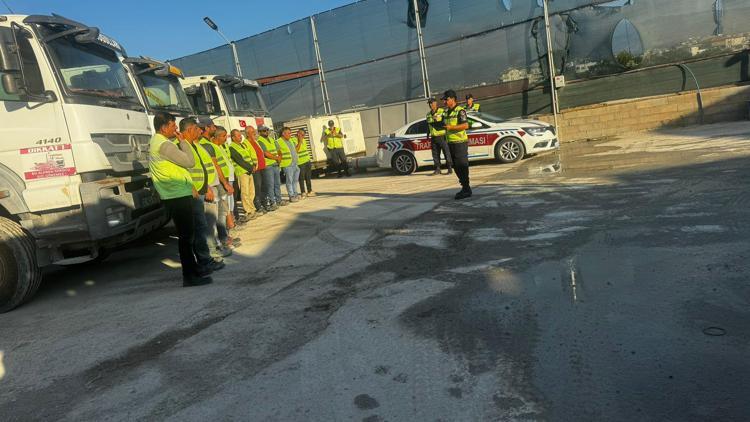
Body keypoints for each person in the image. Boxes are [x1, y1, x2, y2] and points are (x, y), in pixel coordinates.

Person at [148, 112, 211, 287]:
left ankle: (194, 270)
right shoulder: (164, 146)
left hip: (176, 193)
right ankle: (190, 276)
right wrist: (183, 141)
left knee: (187, 236)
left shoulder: (158, 143)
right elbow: (189, 162)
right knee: (186, 237)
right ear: (164, 127)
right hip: (177, 195)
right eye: (173, 125)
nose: (176, 129)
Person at [179, 117, 227, 272]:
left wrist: (207, 186)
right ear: (188, 130)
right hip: (194, 192)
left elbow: (201, 168)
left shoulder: (194, 145)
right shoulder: (182, 146)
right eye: (196, 129)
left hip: (202, 190)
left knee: (203, 225)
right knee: (201, 227)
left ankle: (207, 257)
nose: (199, 131)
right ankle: (205, 259)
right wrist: (201, 187)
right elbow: (184, 171)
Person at [197, 117, 234, 258]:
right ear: (206, 128)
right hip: (212, 185)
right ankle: (216, 247)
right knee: (213, 218)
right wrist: (224, 183)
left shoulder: (206, 144)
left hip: (215, 183)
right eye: (212, 126)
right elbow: (214, 166)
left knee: (221, 213)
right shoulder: (205, 145)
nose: (214, 127)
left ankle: (222, 240)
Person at [210, 126, 242, 250]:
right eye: (223, 136)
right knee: (223, 211)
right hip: (222, 182)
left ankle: (227, 235)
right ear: (217, 136)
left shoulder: (221, 147)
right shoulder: (213, 147)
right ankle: (224, 237)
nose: (225, 138)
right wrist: (225, 182)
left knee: (229, 207)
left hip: (228, 179)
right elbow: (217, 166)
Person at [442, 90, 472, 200]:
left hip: (460, 143)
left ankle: (466, 188)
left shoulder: (460, 111)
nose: (444, 101)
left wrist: (451, 128)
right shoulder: (445, 112)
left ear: (452, 99)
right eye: (444, 100)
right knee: (455, 166)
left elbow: (465, 125)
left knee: (462, 165)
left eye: (446, 99)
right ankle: (464, 187)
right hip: (450, 143)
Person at [227, 128, 257, 222]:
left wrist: (254, 165)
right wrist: (251, 167)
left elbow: (249, 156)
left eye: (240, 135)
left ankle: (252, 209)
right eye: (238, 136)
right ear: (233, 137)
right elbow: (239, 160)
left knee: (251, 192)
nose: (241, 137)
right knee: (245, 193)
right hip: (242, 172)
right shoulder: (232, 147)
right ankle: (248, 211)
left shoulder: (242, 145)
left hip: (249, 171)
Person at [242, 127, 268, 214]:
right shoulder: (245, 143)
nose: (255, 133)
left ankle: (264, 204)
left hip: (262, 167)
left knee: (265, 186)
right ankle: (258, 206)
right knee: (257, 188)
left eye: (254, 131)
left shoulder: (255, 141)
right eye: (252, 131)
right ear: (247, 133)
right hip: (256, 169)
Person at [258, 125, 285, 206]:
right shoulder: (260, 141)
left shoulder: (271, 139)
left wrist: (280, 157)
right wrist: (277, 158)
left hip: (275, 164)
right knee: (270, 185)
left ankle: (279, 200)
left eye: (267, 130)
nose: (266, 132)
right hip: (268, 166)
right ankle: (272, 202)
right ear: (259, 132)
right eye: (264, 131)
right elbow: (265, 153)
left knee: (277, 184)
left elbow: (278, 149)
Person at [426, 97, 452, 176]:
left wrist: (436, 120)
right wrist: (427, 135)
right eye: (429, 104)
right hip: (433, 137)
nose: (430, 105)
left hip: (442, 136)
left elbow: (445, 123)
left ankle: (449, 168)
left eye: (432, 103)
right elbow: (428, 125)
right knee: (435, 154)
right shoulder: (428, 114)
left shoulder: (442, 111)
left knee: (446, 152)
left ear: (435, 103)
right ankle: (437, 169)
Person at [278, 127, 301, 202]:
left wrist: (300, 142)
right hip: (287, 165)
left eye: (290, 133)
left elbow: (296, 150)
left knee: (295, 181)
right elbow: (278, 153)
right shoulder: (278, 142)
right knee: (289, 181)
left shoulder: (291, 141)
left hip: (295, 164)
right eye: (288, 133)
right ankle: (291, 196)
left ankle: (295, 194)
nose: (290, 135)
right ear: (283, 133)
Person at [293, 128, 315, 197]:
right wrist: (299, 141)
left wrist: (309, 160)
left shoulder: (304, 140)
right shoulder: (293, 140)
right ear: (298, 133)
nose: (303, 136)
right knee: (301, 178)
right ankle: (303, 192)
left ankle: (310, 191)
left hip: (307, 161)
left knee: (308, 177)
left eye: (303, 135)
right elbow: (296, 150)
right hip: (300, 162)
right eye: (301, 134)